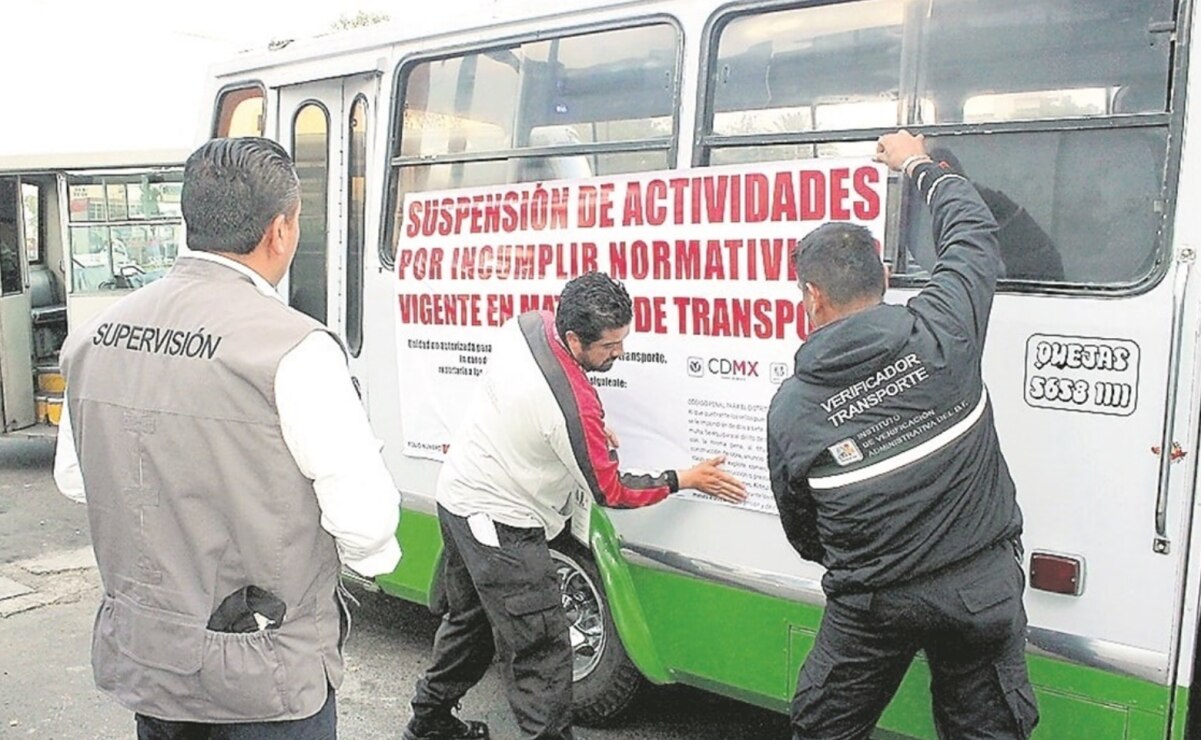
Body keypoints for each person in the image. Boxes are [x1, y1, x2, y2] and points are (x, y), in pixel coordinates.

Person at [53, 137, 402, 740]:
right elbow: (366, 524)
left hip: (150, 661)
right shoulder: (295, 348)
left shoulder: (94, 337)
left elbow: (75, 479)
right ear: (281, 230)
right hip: (264, 678)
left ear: (190, 221)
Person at [766, 130, 1039, 740]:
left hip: (871, 605)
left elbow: (802, 528)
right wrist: (915, 161)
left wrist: (873, 556)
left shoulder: (792, 408)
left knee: (823, 728)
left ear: (811, 296)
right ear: (885, 275)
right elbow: (972, 231)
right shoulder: (945, 328)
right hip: (979, 591)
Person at [403, 271, 748, 740]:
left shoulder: (529, 326)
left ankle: (429, 722)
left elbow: (550, 412)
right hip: (499, 522)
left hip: (459, 498)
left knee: (471, 623)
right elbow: (613, 491)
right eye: (609, 346)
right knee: (542, 650)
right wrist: (681, 479)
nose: (619, 353)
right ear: (572, 336)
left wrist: (582, 435)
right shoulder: (570, 406)